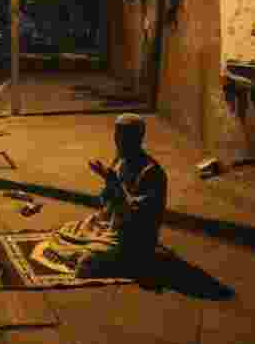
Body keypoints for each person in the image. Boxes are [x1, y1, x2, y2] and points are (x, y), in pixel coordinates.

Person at [30, 113, 168, 277]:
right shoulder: (120, 160)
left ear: (138, 139)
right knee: (62, 232)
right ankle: (86, 251)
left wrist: (115, 185)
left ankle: (122, 261)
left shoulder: (151, 172)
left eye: (124, 139)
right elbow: (106, 202)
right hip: (108, 223)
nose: (119, 143)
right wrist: (108, 183)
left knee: (87, 261)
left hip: (131, 236)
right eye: (117, 137)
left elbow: (136, 215)